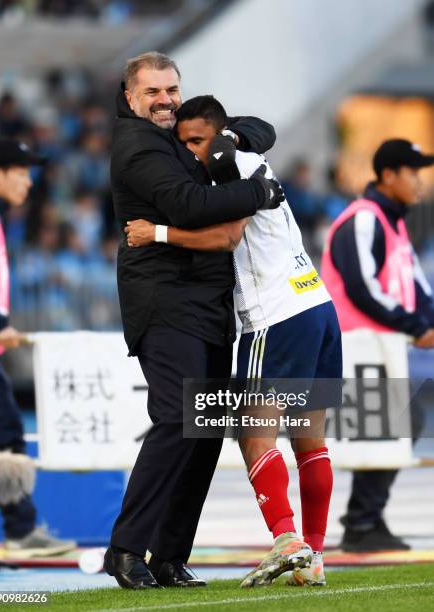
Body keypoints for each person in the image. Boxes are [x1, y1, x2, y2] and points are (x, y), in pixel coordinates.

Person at [125, 95, 342, 587]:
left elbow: (226, 239)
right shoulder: (253, 157)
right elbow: (258, 130)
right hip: (315, 303)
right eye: (184, 143)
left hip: (274, 314)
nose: (193, 152)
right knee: (310, 441)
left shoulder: (228, 166)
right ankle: (316, 558)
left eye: (197, 141)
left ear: (220, 135)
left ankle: (287, 540)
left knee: (252, 433)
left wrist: (156, 232)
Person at [105, 53, 283, 590]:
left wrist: (228, 134)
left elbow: (262, 129)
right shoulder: (136, 144)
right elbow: (184, 205)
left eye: (172, 90)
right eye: (153, 91)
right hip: (165, 302)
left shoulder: (177, 134)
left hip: (206, 304)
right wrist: (260, 193)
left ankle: (168, 555)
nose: (164, 100)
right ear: (130, 96)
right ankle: (126, 550)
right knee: (180, 421)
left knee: (203, 433)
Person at [321, 138, 434, 552]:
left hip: (377, 346)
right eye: (412, 172)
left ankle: (364, 521)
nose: (419, 183)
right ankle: (361, 521)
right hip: (354, 345)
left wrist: (425, 321)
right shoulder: (365, 218)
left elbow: (417, 289)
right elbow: (361, 288)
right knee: (397, 423)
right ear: (388, 175)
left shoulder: (393, 223)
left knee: (400, 424)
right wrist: (415, 326)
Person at [0, 137, 76, 557]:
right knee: (0, 440)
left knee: (6, 438)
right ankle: (15, 530)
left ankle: (20, 528)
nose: (28, 183)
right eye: (20, 172)